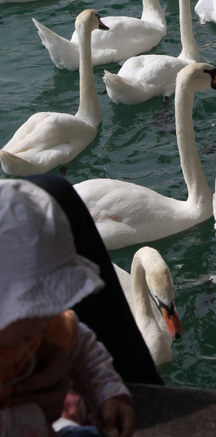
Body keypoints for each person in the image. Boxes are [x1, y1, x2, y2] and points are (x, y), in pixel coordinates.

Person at [0, 178, 134, 437]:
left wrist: (108, 394)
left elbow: (85, 352)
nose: (43, 317)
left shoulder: (47, 324)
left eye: (50, 301)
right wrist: (30, 416)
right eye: (29, 306)